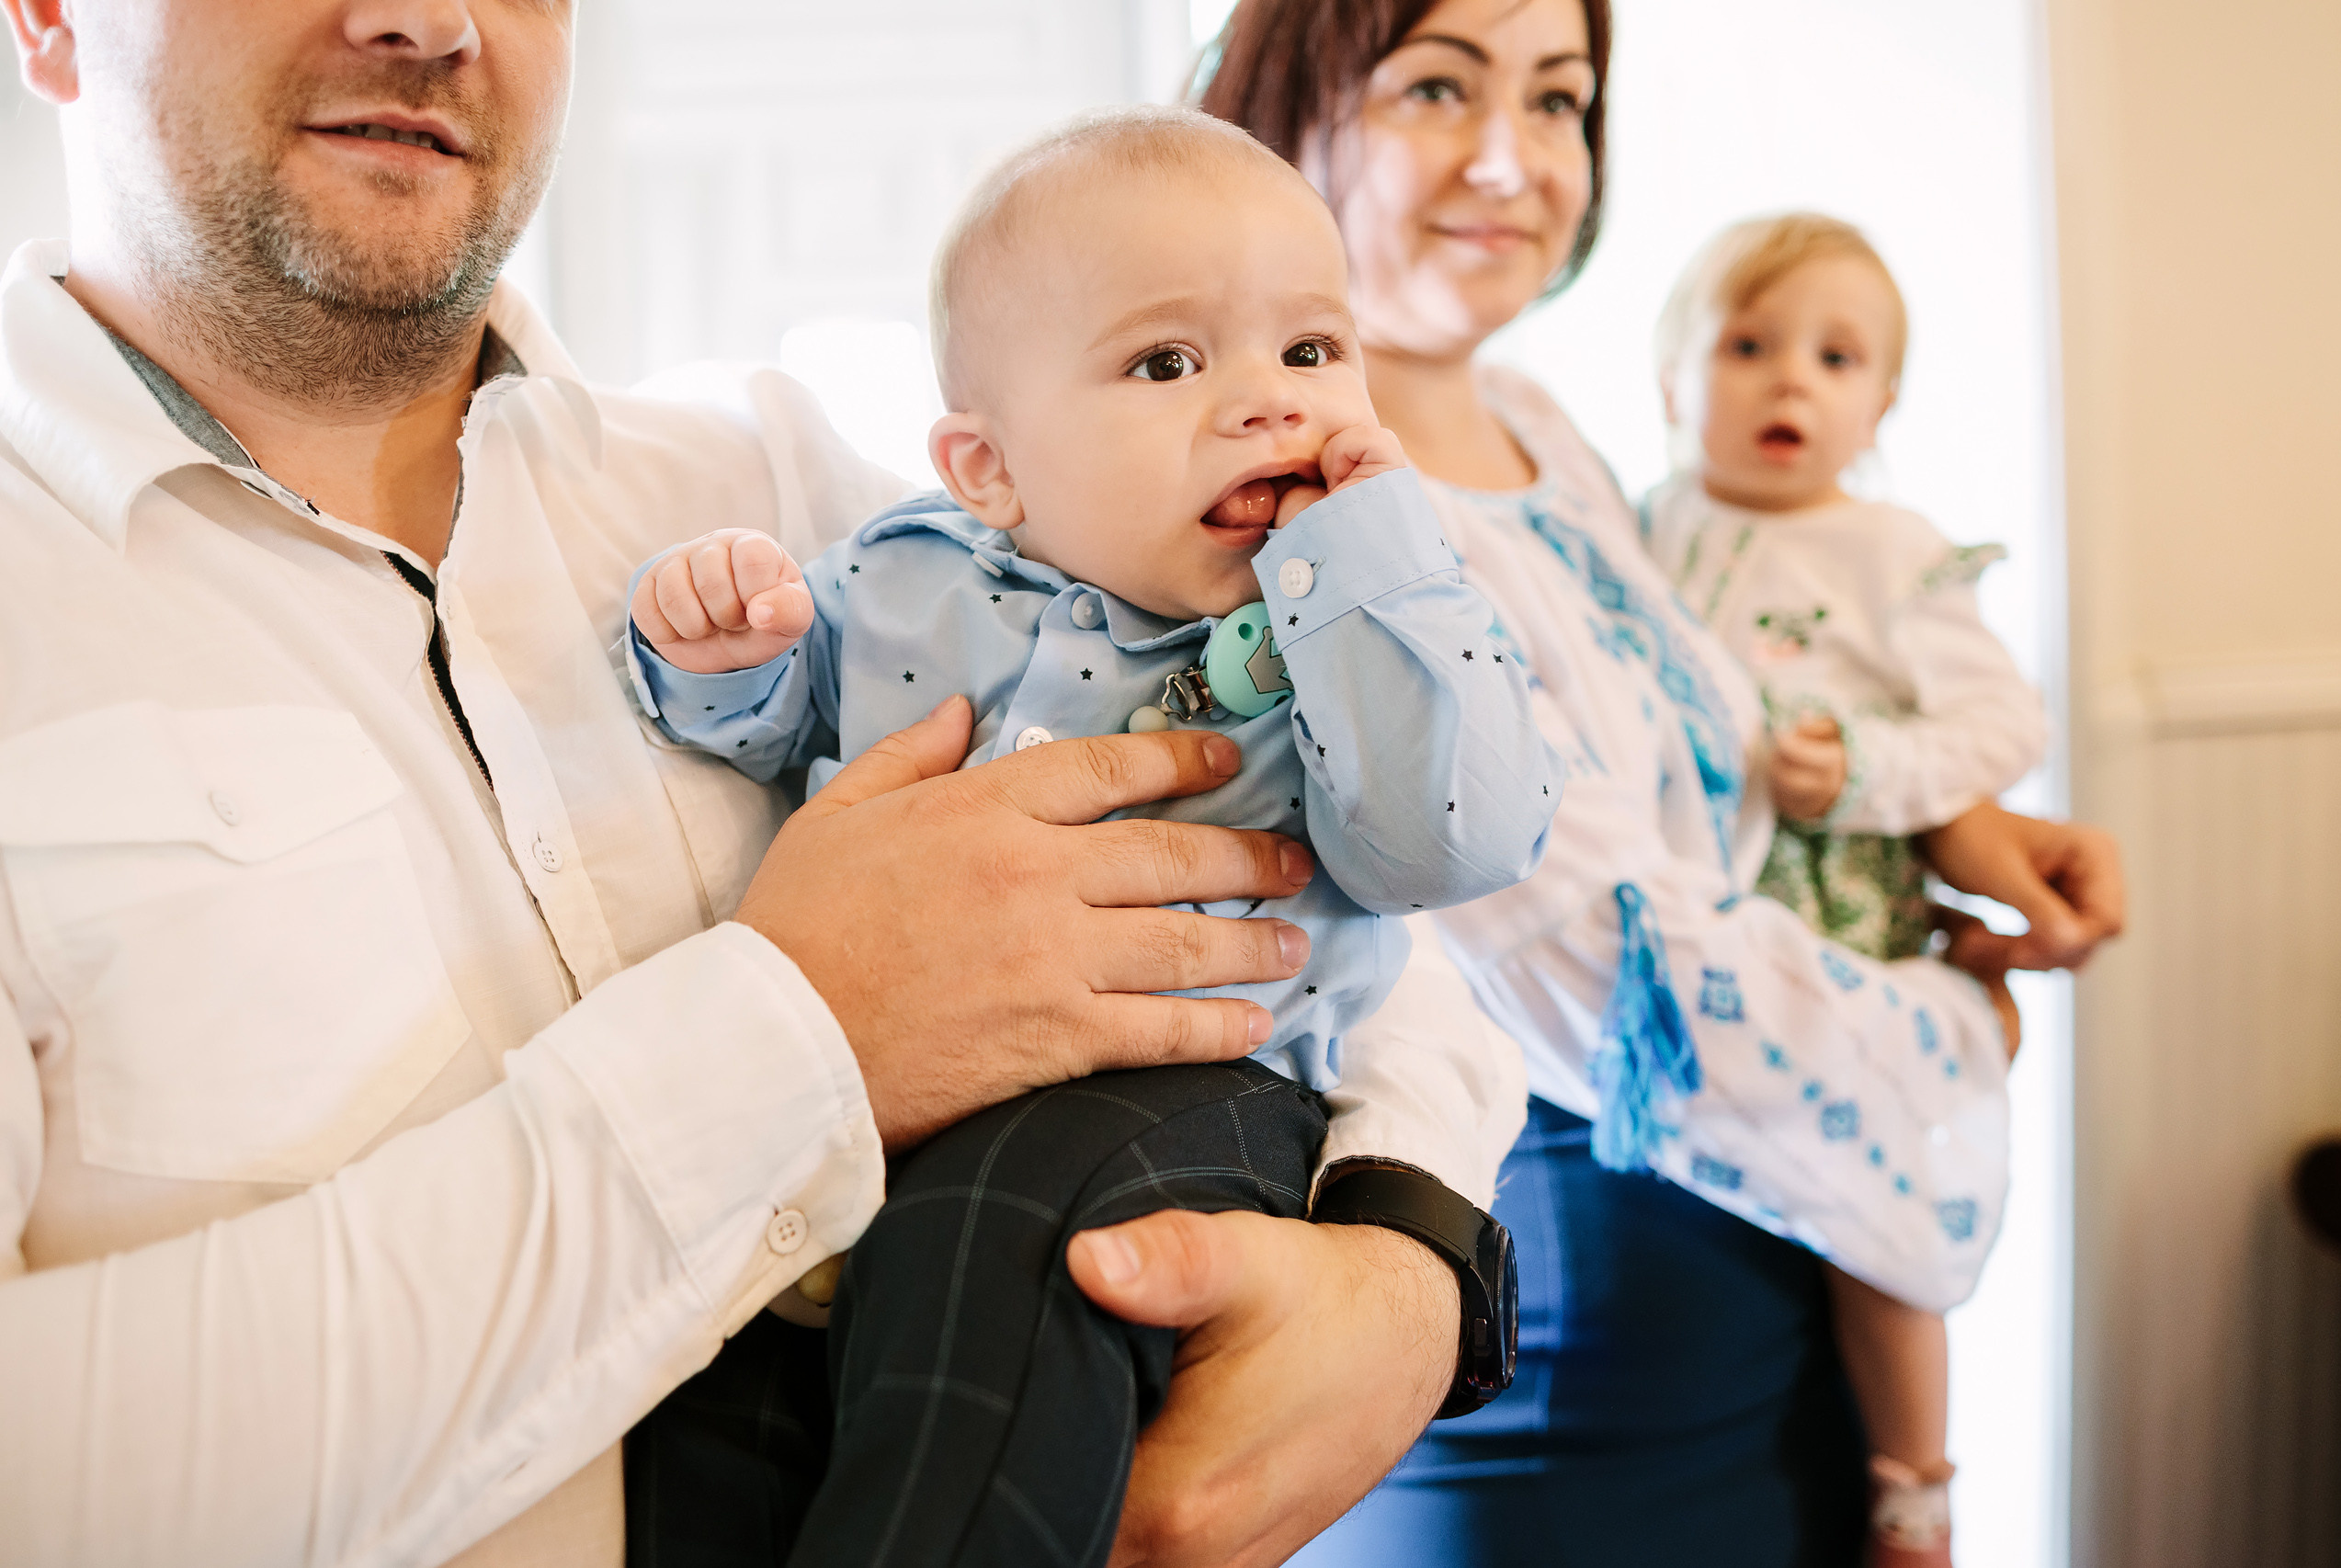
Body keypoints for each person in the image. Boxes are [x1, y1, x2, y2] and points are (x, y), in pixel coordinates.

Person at [0, 5, 1517, 1565]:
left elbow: (1323, 878)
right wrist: (801, 1036)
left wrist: (1413, 1264)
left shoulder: (793, 494)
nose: (433, 20)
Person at [1199, 0, 2125, 1562]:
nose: (1513, 158)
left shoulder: (1543, 429)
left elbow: (1711, 738)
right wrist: (1951, 1030)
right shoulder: (1315, 509)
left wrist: (1955, 827)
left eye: (1558, 100)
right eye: (1438, 83)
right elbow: (1615, 962)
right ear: (1293, 107)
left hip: (1777, 1260)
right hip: (1578, 1362)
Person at [617, 108, 1559, 1567]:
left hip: (1196, 1082)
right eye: (1169, 362)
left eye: (1312, 351)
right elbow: (775, 722)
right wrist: (730, 650)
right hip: (881, 1111)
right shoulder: (910, 570)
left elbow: (1447, 842)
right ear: (988, 468)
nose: (1270, 404)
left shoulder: (1355, 629)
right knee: (715, 1403)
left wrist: (1367, 560)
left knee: (1010, 1239)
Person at [1642, 211, 2051, 1566]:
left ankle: (1913, 1488)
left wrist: (1864, 766)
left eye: (1836, 356)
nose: (1790, 382)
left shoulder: (1889, 550)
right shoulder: (1644, 533)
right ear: (1671, 378)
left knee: (1879, 1227)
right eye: (1747, 346)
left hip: (1850, 936)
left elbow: (2003, 731)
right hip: (1702, 932)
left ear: (1881, 401)